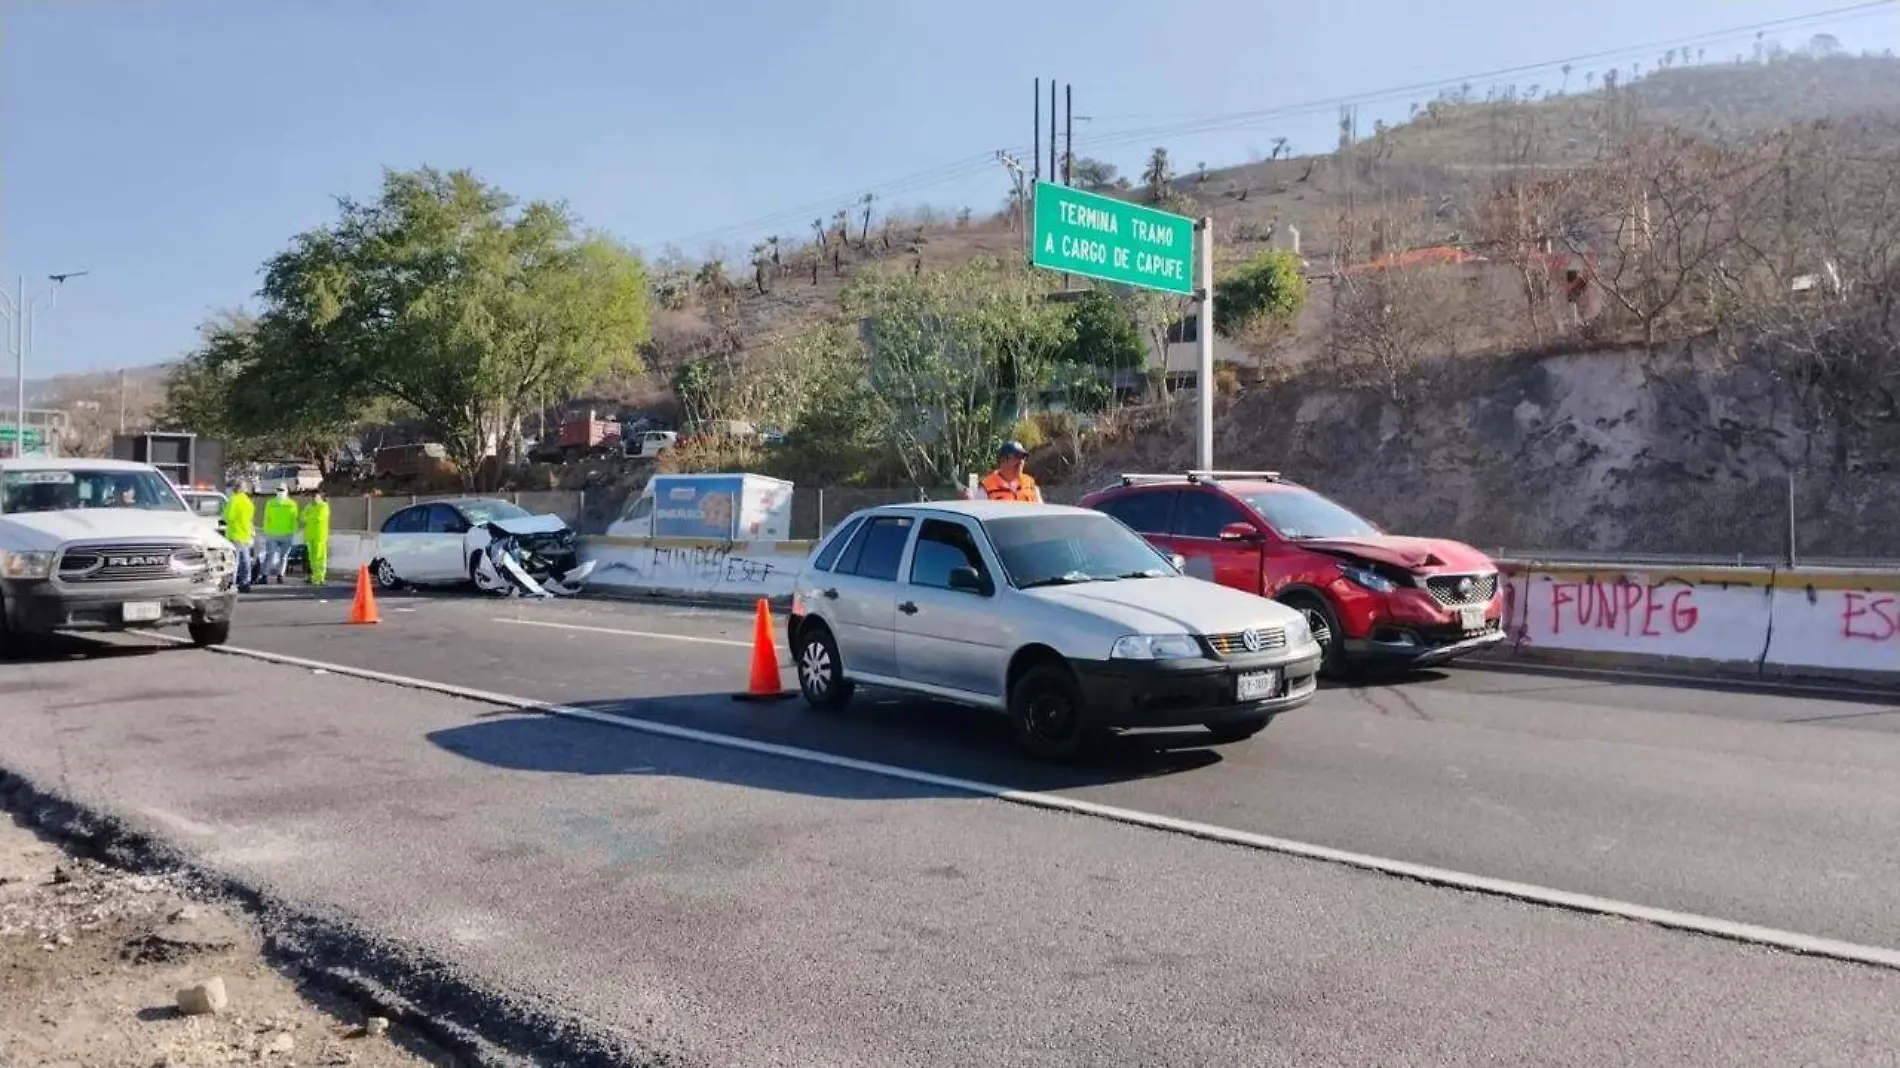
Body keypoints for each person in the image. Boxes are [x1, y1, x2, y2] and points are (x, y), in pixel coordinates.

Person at [260, 485, 300, 586]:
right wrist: (266, 530)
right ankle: (264, 575)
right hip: (272, 534)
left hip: (287, 534)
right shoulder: (271, 503)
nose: (280, 492)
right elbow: (266, 518)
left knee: (283, 556)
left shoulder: (292, 504)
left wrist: (293, 531)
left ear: (287, 491)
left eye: (282, 490)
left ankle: (280, 575)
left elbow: (294, 519)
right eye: (278, 490)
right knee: (270, 555)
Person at [223, 482, 257, 593]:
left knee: (234, 561)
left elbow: (229, 517)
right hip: (246, 534)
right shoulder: (248, 502)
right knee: (245, 559)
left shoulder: (234, 499)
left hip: (235, 533)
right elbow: (250, 519)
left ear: (235, 489)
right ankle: (246, 582)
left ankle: (231, 583)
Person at [301, 489, 331, 585]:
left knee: (319, 557)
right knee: (312, 558)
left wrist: (309, 517)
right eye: (312, 496)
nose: (313, 498)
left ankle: (320, 577)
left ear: (320, 497)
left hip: (320, 536)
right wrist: (310, 517)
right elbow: (302, 517)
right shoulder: (309, 507)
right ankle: (314, 576)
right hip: (310, 535)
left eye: (315, 496)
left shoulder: (323, 506)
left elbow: (318, 518)